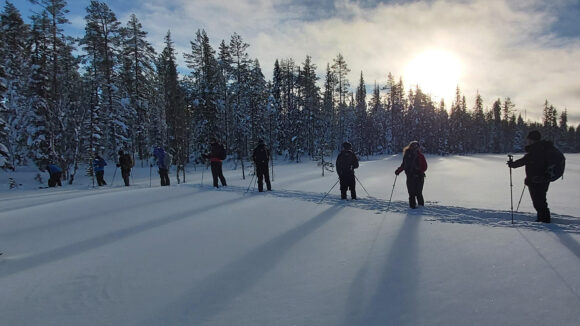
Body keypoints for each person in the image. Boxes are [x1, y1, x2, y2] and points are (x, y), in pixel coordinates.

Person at [508, 130, 554, 223]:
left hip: (536, 180)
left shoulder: (536, 150)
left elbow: (525, 160)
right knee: (541, 200)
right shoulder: (543, 148)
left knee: (539, 202)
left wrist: (512, 164)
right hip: (543, 179)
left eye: (528, 139)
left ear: (532, 140)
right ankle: (543, 219)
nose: (527, 141)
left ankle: (544, 221)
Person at [395, 141, 428, 209]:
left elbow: (403, 165)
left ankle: (413, 209)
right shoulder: (420, 155)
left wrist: (398, 171)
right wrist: (420, 171)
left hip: (411, 177)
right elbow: (425, 167)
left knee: (412, 194)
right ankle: (420, 209)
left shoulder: (407, 155)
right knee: (418, 193)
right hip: (419, 177)